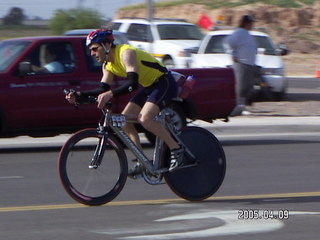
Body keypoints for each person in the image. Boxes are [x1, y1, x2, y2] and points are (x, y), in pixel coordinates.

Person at [65, 29, 184, 177]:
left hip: (163, 82)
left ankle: (177, 150)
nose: (92, 53)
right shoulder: (107, 65)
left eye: (95, 49)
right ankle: (142, 162)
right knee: (124, 120)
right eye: (90, 50)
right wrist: (79, 95)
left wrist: (110, 94)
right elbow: (103, 88)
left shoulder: (126, 53)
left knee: (144, 118)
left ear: (107, 45)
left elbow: (132, 84)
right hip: (148, 86)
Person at [224, 15, 258, 115]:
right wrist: (232, 54)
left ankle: (242, 107)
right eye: (251, 23)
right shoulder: (239, 33)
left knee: (246, 87)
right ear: (246, 23)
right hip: (241, 63)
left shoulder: (248, 34)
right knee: (240, 87)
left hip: (249, 64)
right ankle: (237, 107)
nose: (252, 25)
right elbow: (227, 43)